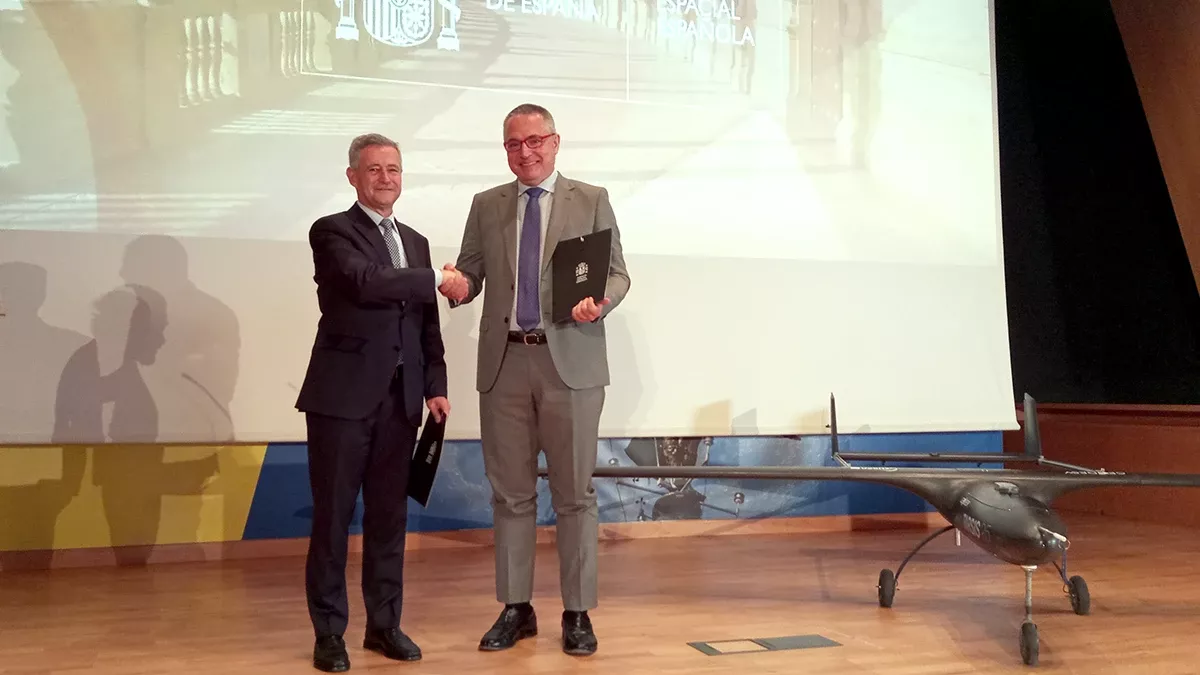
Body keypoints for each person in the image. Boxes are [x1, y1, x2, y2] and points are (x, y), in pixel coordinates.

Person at [441, 103, 631, 656]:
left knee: (574, 494)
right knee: (511, 495)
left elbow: (617, 272)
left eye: (534, 141)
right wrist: (458, 284)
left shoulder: (590, 199)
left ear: (555, 142)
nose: (525, 152)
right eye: (513, 144)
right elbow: (471, 271)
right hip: (504, 365)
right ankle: (516, 607)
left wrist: (603, 302)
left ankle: (577, 613)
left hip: (569, 362)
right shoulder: (486, 204)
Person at [296, 133, 463, 672]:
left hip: (401, 400)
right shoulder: (332, 231)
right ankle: (328, 632)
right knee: (333, 518)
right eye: (374, 169)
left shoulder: (415, 240)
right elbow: (366, 283)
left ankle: (384, 626)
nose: (385, 178)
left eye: (393, 169)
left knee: (389, 519)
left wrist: (435, 383)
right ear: (353, 177)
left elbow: (425, 321)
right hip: (342, 400)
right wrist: (438, 278)